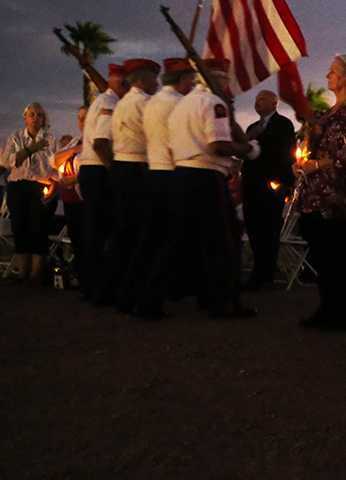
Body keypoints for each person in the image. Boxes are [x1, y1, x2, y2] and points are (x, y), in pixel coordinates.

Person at [135, 59, 260, 319]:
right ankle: (224, 303)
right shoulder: (212, 104)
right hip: (206, 177)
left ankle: (149, 301)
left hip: (180, 175)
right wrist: (249, 150)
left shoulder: (183, 105)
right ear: (220, 80)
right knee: (225, 241)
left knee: (178, 243)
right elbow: (218, 146)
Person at [294, 55, 346, 330]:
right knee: (322, 257)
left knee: (339, 257)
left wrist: (320, 164)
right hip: (315, 193)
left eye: (333, 72)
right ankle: (327, 307)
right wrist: (303, 163)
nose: (327, 76)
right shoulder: (326, 114)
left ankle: (342, 313)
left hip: (337, 194)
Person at [116, 58, 196, 313]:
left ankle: (131, 294)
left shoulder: (154, 103)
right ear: (183, 80)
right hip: (169, 174)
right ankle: (154, 296)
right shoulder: (173, 104)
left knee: (148, 240)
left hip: (153, 173)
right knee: (171, 238)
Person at [95, 58, 160, 307]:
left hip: (123, 167)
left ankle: (109, 288)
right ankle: (134, 290)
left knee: (123, 234)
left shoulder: (121, 104)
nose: (156, 84)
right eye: (154, 79)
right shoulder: (143, 103)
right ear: (143, 80)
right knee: (142, 232)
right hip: (137, 166)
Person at [76, 63, 127, 300]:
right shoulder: (109, 104)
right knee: (103, 230)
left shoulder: (103, 102)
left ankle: (91, 284)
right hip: (99, 171)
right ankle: (99, 286)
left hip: (91, 171)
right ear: (121, 82)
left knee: (95, 231)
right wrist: (115, 172)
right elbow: (101, 143)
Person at [241, 90, 296, 291]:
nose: (257, 103)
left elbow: (289, 154)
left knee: (269, 230)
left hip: (271, 186)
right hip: (251, 185)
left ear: (275, 103)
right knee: (254, 229)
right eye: (256, 100)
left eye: (262, 99)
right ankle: (258, 270)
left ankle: (265, 274)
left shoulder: (283, 125)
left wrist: (287, 182)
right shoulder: (253, 128)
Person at [1, 103, 59, 284]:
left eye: (39, 115)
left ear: (44, 119)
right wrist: (29, 150)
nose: (35, 118)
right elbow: (8, 161)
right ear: (25, 118)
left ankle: (35, 275)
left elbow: (58, 168)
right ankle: (23, 274)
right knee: (20, 229)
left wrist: (54, 190)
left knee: (39, 229)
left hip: (40, 186)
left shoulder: (51, 140)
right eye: (32, 114)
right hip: (19, 186)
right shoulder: (16, 138)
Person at [52, 107, 89, 285]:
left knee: (88, 239)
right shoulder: (75, 142)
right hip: (69, 200)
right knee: (77, 240)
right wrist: (73, 150)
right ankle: (82, 277)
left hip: (85, 199)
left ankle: (91, 279)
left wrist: (75, 178)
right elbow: (55, 159)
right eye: (79, 118)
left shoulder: (96, 140)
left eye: (85, 117)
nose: (82, 121)